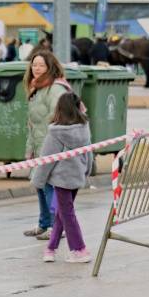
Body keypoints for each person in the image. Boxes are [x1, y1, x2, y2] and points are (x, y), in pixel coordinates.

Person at [30, 91, 92, 263]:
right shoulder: (84, 128)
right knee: (62, 213)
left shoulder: (55, 132)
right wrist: (87, 171)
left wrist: (38, 181)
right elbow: (89, 152)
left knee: (67, 214)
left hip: (62, 180)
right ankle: (51, 248)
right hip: (77, 177)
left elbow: (46, 159)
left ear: (60, 109)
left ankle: (79, 249)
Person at [23, 50, 70, 241]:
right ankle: (44, 223)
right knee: (40, 185)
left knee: (50, 186)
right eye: (34, 65)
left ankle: (57, 227)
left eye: (41, 65)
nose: (37, 68)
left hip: (52, 147)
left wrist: (53, 147)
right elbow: (32, 124)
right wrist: (30, 149)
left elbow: (58, 118)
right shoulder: (36, 89)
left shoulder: (55, 89)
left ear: (50, 67)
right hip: (39, 147)